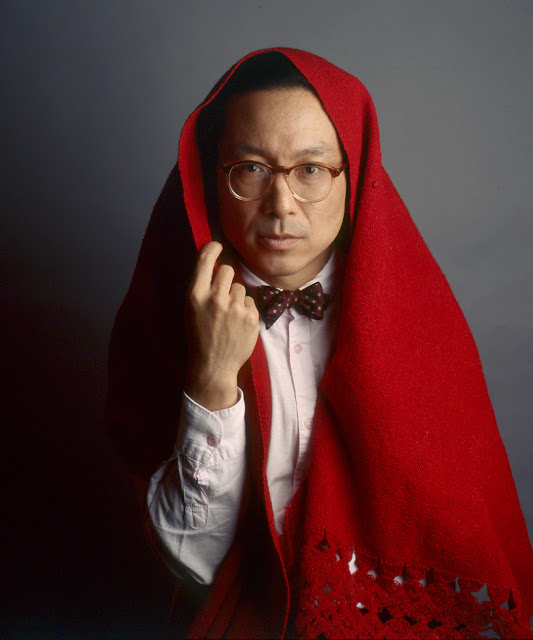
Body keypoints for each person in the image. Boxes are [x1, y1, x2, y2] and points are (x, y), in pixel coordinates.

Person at [106, 48, 533, 639]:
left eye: (311, 169)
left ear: (353, 175)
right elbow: (196, 565)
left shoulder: (419, 323)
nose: (281, 205)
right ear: (213, 176)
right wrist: (212, 377)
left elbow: (460, 544)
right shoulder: (164, 320)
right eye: (251, 168)